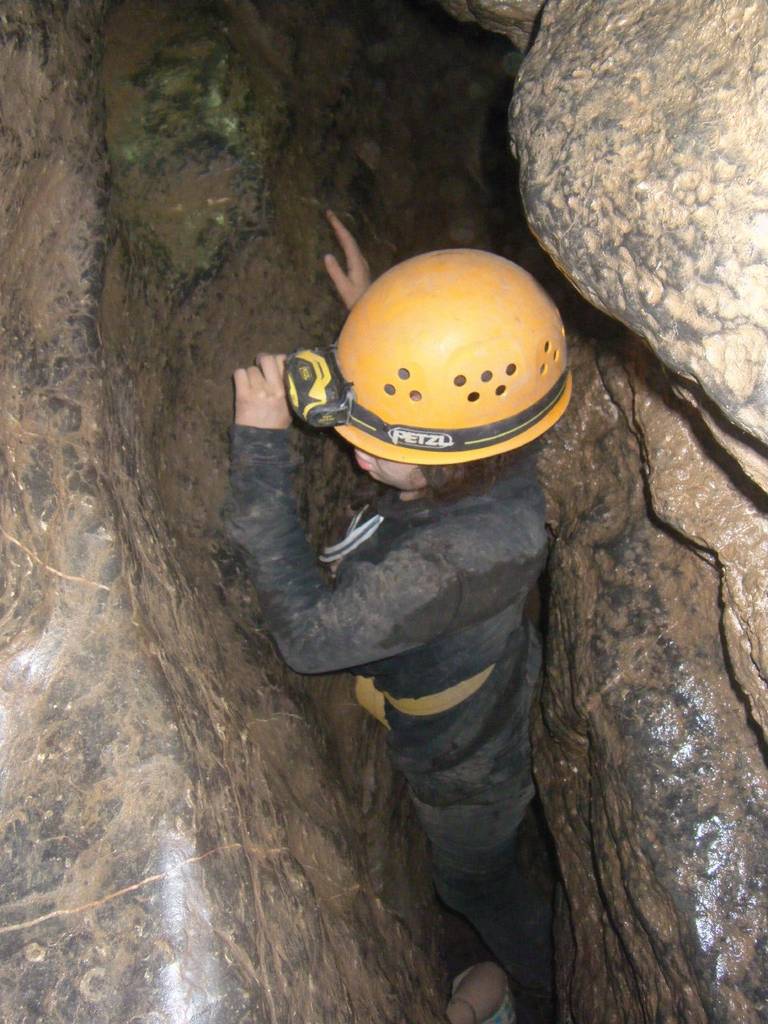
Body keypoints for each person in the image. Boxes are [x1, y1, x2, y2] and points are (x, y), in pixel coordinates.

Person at [227, 210, 571, 1024]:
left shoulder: (448, 564)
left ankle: (545, 981)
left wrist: (261, 451)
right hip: (492, 682)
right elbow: (465, 363)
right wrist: (380, 323)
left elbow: (309, 640)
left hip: (463, 764)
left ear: (451, 460)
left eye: (378, 439)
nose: (357, 451)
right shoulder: (503, 438)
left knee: (472, 879)